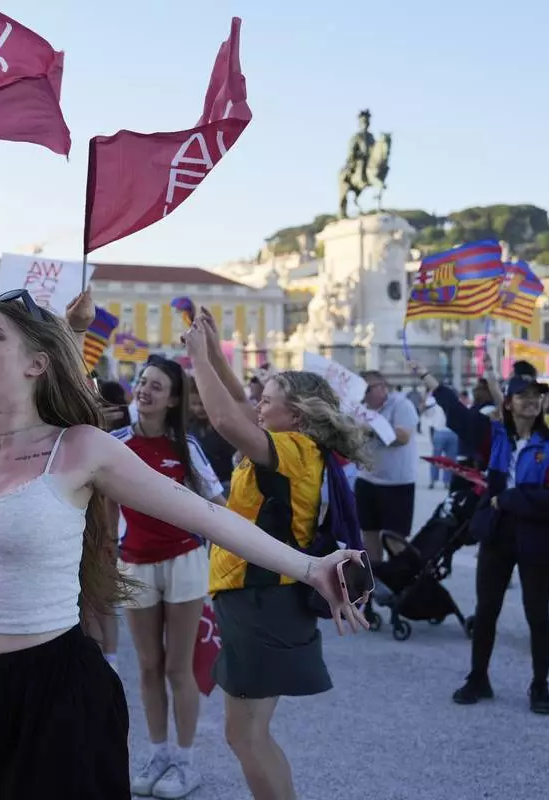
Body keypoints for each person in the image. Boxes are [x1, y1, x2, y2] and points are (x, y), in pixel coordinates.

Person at [0, 135, 366, 799]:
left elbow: (206, 514)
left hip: (59, 691)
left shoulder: (79, 448)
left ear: (36, 363)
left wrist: (312, 567)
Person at [186, 308, 371, 800]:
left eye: (269, 402)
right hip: (261, 597)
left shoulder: (293, 449)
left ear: (299, 414)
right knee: (249, 732)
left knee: (244, 734)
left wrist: (198, 357)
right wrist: (215, 348)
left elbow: (227, 418)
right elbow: (245, 408)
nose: (259, 407)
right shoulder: (299, 446)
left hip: (262, 598)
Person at [412, 359, 549, 714]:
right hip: (498, 531)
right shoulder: (494, 435)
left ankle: (540, 686)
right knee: (487, 609)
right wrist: (426, 376)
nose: (530, 400)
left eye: (535, 395)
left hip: (536, 534)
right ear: (507, 403)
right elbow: (454, 410)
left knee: (537, 614)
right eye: (522, 395)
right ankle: (478, 677)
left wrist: (512, 498)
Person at [113, 356, 224, 799]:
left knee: (179, 668)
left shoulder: (186, 446)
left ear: (173, 398)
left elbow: (216, 503)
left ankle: (185, 760)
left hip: (185, 562)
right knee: (147, 666)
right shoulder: (115, 443)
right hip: (134, 563)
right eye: (142, 382)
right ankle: (158, 752)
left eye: (156, 386)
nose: (145, 390)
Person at [355, 371, 420, 564]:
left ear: (383, 387)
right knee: (368, 535)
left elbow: (402, 438)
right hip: (367, 480)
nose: (363, 394)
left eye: (367, 389)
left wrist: (370, 429)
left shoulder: (401, 405)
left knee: (393, 539)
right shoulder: (360, 409)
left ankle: (399, 581)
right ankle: (374, 579)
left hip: (396, 483)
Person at [187, 376, 236, 493]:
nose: (198, 409)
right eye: (194, 404)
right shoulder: (189, 426)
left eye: (202, 403)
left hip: (226, 483)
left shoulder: (226, 426)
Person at [423, 397, 458, 489]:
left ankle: (433, 481)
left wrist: (432, 437)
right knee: (450, 460)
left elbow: (430, 422)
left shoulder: (434, 405)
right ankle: (447, 482)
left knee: (436, 458)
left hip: (440, 433)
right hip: (452, 433)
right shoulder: (456, 405)